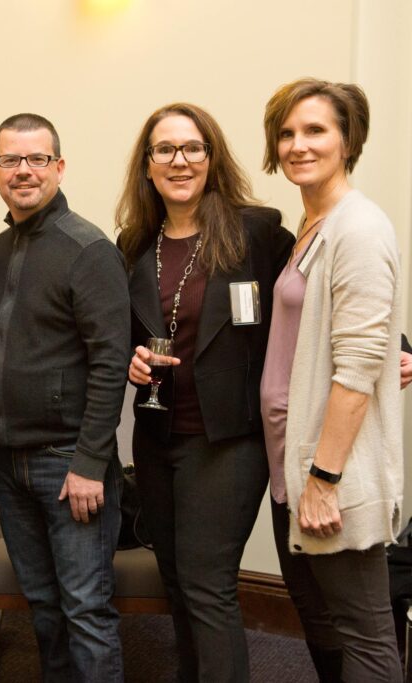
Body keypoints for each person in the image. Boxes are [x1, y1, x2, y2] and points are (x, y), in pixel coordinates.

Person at [115, 103, 294, 682]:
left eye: (193, 147)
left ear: (211, 157)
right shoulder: (135, 242)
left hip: (228, 440)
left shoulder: (256, 231)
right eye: (164, 150)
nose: (180, 160)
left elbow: (313, 299)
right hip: (157, 435)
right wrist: (131, 359)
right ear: (147, 166)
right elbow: (122, 333)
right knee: (177, 581)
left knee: (206, 584)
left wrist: (395, 342)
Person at [260, 78, 403, 682]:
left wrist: (324, 477)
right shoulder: (311, 225)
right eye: (287, 132)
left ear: (349, 140)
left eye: (316, 130)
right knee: (320, 623)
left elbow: (357, 366)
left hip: (328, 472)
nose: (298, 144)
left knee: (366, 637)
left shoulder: (358, 227)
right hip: (289, 467)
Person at [0, 113, 131, 681]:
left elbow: (110, 362)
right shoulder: (1, 245)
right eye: (10, 160)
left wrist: (91, 462)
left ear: (59, 167)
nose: (23, 171)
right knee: (43, 609)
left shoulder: (87, 248)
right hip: (11, 467)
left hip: (69, 465)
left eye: (36, 159)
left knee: (85, 612)